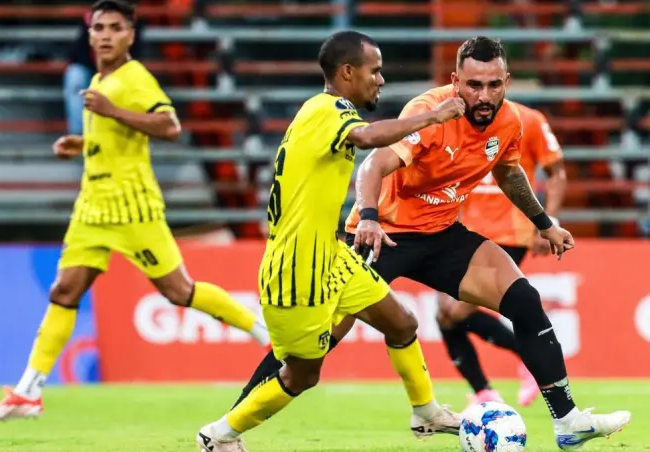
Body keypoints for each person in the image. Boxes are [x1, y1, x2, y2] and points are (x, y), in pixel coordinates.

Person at [234, 36, 630, 450]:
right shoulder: (429, 110)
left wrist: (544, 223)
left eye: (494, 85)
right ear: (456, 82)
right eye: (474, 85)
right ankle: (230, 428)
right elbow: (373, 164)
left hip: (441, 234)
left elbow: (508, 172)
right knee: (312, 346)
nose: (484, 95)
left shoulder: (510, 120)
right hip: (386, 234)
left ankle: (568, 422)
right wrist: (367, 217)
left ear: (507, 82)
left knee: (524, 301)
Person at [0, 0, 268, 422]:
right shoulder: (99, 80)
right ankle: (28, 392)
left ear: (131, 34)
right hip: (92, 208)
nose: (106, 35)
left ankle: (260, 330)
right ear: (89, 34)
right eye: (99, 28)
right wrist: (82, 143)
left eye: (116, 28)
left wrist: (111, 110)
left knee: (179, 291)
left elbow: (169, 126)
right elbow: (115, 138)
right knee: (64, 292)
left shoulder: (134, 79)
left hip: (132, 209)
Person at [194, 31, 466, 452]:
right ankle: (218, 435)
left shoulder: (322, 114)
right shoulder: (327, 109)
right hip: (297, 266)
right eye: (375, 71)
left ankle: (426, 412)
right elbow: (368, 138)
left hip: (331, 255)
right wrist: (434, 116)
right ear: (347, 72)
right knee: (302, 374)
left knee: (402, 324)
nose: (380, 80)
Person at [436, 101, 568, 410]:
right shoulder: (457, 118)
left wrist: (548, 223)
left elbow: (557, 171)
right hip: (464, 231)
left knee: (457, 312)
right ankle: (484, 392)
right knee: (444, 314)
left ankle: (525, 361)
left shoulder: (529, 119)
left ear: (504, 81)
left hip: (510, 231)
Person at [65, 8, 144, 135]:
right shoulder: (92, 17)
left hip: (119, 68)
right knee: (75, 76)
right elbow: (77, 53)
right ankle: (79, 135)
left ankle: (121, 132)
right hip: (89, 67)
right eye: (99, 28)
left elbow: (133, 55)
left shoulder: (132, 21)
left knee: (128, 80)